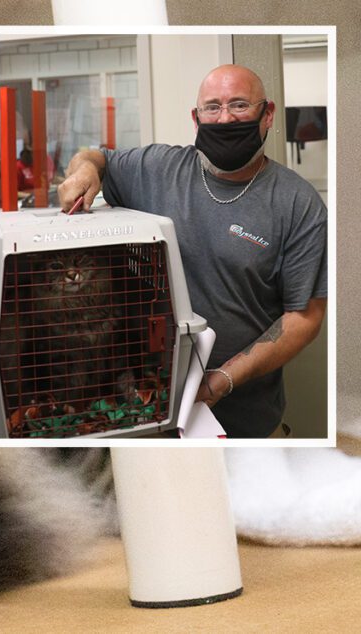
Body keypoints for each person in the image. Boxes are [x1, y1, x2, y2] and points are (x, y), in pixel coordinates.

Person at [57, 64, 327, 439]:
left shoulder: (298, 203)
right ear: (196, 119)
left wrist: (223, 380)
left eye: (239, 105)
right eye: (213, 107)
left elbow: (305, 318)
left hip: (247, 421)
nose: (225, 117)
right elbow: (94, 157)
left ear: (267, 115)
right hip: (149, 407)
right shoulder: (159, 169)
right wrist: (83, 172)